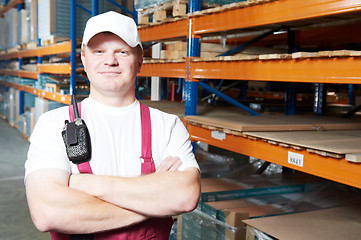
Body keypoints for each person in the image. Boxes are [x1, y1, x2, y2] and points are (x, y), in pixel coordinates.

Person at [25, 11, 200, 239]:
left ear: (140, 60)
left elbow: (185, 195)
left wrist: (86, 185)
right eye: (98, 51)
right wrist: (154, 201)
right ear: (83, 59)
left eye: (122, 52)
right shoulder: (53, 125)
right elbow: (48, 213)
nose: (110, 61)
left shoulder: (168, 126)